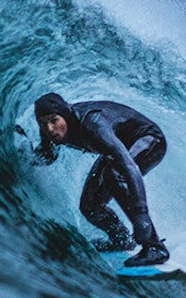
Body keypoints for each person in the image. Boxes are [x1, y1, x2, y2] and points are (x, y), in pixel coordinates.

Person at [32, 92, 171, 267]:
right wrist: (26, 155)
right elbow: (48, 155)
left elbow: (129, 166)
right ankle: (121, 240)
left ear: (64, 116)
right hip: (116, 148)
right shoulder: (51, 129)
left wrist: (140, 213)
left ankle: (155, 248)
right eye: (43, 124)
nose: (50, 129)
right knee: (90, 206)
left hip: (149, 139)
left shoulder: (93, 125)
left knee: (114, 176)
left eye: (54, 121)